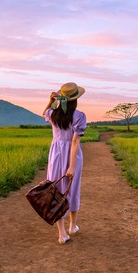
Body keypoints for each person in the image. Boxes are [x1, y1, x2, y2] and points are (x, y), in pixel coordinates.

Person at [42, 82, 87, 244]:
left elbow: (44, 114)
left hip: (55, 155)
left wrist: (50, 101)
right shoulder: (79, 116)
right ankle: (72, 226)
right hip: (72, 155)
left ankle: (62, 233)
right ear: (75, 99)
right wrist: (72, 165)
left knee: (56, 191)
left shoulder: (53, 113)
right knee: (72, 189)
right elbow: (75, 142)